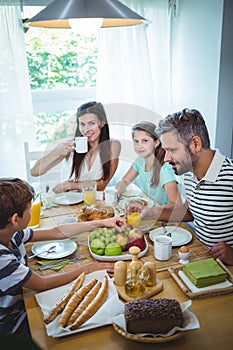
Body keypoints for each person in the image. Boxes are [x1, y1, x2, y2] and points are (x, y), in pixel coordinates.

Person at [0, 178, 125, 338]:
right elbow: (42, 284)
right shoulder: (2, 258)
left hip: (21, 301)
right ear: (15, 219)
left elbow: (56, 232)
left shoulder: (12, 233)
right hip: (12, 322)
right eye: (29, 210)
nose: (31, 212)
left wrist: (101, 222)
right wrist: (89, 268)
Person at [141, 109, 233, 265]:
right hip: (201, 256)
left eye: (172, 150)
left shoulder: (230, 178)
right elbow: (191, 211)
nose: (166, 158)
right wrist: (154, 212)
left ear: (195, 144)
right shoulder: (189, 171)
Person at [30, 101, 121, 193]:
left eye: (91, 123)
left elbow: (102, 185)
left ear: (102, 123)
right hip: (66, 200)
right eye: (82, 124)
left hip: (93, 203)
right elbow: (34, 172)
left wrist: (70, 185)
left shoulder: (113, 145)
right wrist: (58, 152)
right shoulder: (70, 145)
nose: (86, 130)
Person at [115, 121, 182, 206]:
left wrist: (151, 211)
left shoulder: (165, 169)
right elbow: (125, 180)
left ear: (156, 143)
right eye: (136, 141)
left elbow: (177, 205)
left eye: (145, 141)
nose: (139, 146)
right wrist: (119, 188)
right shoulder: (140, 161)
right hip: (148, 210)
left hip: (163, 215)